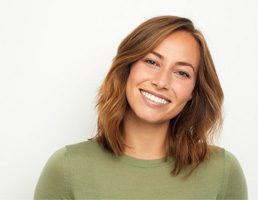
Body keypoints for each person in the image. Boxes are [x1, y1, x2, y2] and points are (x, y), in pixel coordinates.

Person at [34, 15, 248, 199]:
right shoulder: (67, 168)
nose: (161, 82)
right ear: (127, 68)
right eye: (151, 62)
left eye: (182, 72)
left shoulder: (222, 171)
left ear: (193, 91)